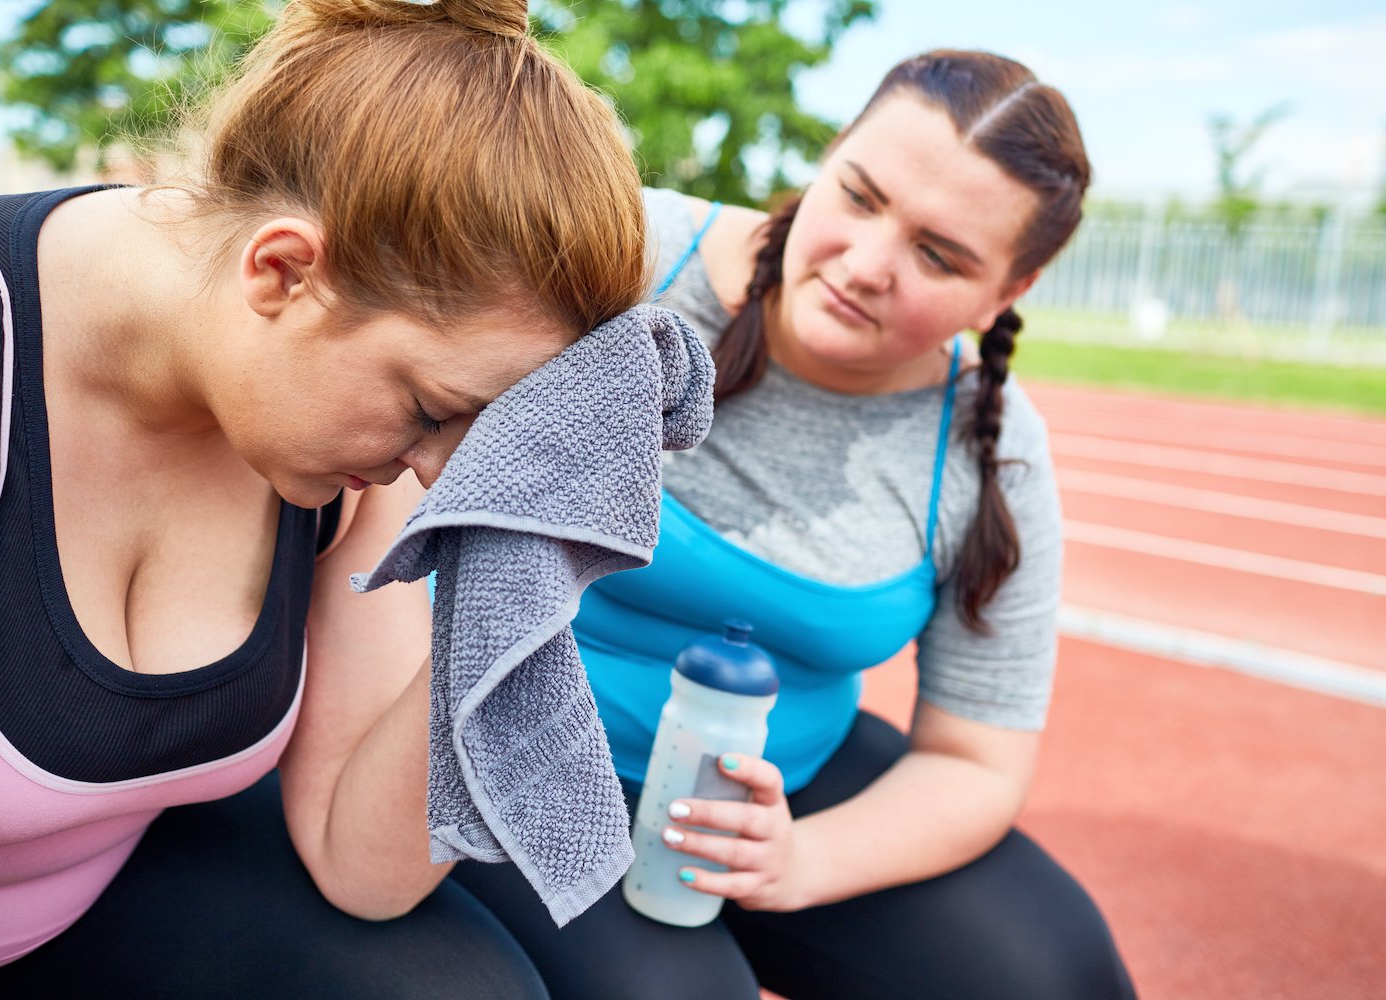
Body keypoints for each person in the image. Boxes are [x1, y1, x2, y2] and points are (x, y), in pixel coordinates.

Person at [0, 0, 649, 994]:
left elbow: (365, 869)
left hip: (85, 913)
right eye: (436, 412)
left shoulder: (343, 452)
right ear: (284, 271)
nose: (438, 472)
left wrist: (526, 548)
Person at [450, 49, 1139, 998]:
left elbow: (975, 761)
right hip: (507, 747)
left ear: (1006, 294)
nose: (865, 266)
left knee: (1053, 976)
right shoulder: (631, 252)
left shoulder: (991, 448)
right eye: (857, 196)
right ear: (828, 158)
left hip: (772, 787)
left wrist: (798, 861)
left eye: (938, 256)